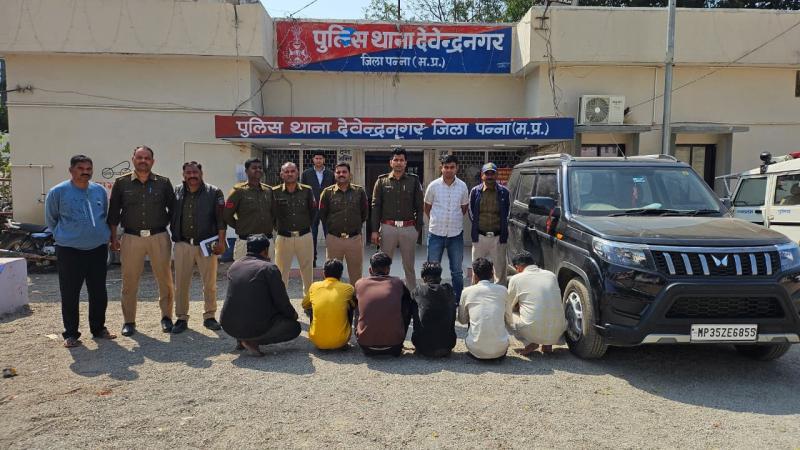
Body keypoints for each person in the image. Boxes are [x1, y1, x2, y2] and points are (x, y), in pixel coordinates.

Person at [44, 155, 115, 348]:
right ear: (71, 170)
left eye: (88, 169)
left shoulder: (99, 191)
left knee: (98, 291)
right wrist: (64, 236)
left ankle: (98, 328)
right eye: (81, 168)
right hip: (70, 251)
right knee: (70, 292)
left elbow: (104, 215)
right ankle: (71, 334)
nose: (85, 172)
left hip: (98, 249)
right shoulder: (58, 192)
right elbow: (51, 219)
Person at [108, 145, 176, 337]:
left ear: (152, 161)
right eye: (140, 157)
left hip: (158, 237)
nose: (143, 161)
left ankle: (166, 317)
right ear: (133, 159)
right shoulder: (121, 183)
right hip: (131, 238)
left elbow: (174, 211)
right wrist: (113, 238)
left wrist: (174, 234)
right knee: (129, 281)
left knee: (165, 280)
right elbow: (114, 213)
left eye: (147, 158)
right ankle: (129, 321)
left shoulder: (163, 183)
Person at [220, 234, 301, 357]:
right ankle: (251, 341)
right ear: (265, 251)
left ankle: (242, 338)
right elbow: (281, 301)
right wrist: (292, 315)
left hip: (229, 325)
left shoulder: (234, 265)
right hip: (255, 325)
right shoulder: (269, 268)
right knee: (294, 328)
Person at [169, 161, 226, 334]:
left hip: (207, 244)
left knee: (209, 283)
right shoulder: (177, 191)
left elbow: (221, 219)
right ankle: (181, 318)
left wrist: (221, 242)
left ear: (201, 174)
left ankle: (209, 316)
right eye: (188, 173)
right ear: (183, 175)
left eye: (195, 172)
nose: (192, 176)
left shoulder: (214, 192)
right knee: (181, 284)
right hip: (183, 244)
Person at [370, 148, 424, 290]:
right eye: (396, 160)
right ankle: (383, 293)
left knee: (409, 266)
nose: (398, 163)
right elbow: (375, 206)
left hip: (408, 227)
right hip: (388, 227)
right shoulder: (381, 181)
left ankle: (411, 294)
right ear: (391, 162)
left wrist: (417, 229)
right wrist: (374, 230)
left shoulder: (414, 180)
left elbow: (420, 206)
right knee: (383, 265)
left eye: (401, 160)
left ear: (405, 163)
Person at [424, 154, 469, 303]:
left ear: (457, 168)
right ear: (441, 168)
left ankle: (457, 301)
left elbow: (464, 208)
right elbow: (427, 207)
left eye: (452, 167)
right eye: (446, 167)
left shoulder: (462, 186)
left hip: (455, 235)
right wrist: (437, 220)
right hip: (436, 234)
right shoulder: (433, 186)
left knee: (456, 271)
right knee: (432, 270)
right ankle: (432, 300)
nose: (449, 170)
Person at [506, 251, 566, 355]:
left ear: (518, 267)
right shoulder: (551, 275)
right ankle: (548, 344)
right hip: (558, 331)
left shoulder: (516, 279)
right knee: (548, 308)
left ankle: (530, 343)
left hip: (533, 331)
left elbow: (508, 305)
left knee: (507, 314)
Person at [354, 252, 413, 357]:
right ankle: (397, 335)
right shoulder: (398, 283)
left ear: (370, 270)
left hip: (365, 345)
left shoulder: (360, 283)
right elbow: (408, 306)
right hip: (395, 345)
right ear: (388, 270)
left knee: (357, 305)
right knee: (406, 305)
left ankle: (362, 332)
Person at [318, 162, 369, 284]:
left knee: (356, 275)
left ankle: (355, 296)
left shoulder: (359, 191)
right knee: (331, 275)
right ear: (335, 174)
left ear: (349, 174)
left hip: (354, 239)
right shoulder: (327, 192)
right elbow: (322, 214)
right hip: (334, 239)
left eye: (344, 172)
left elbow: (364, 213)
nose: (341, 174)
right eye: (338, 172)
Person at [273, 162, 317, 294]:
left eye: (292, 171)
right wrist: (277, 228)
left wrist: (305, 225)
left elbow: (313, 211)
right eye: (286, 172)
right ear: (281, 174)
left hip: (304, 236)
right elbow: (271, 213)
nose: (290, 174)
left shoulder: (307, 190)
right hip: (283, 237)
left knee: (307, 270)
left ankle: (308, 300)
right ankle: (281, 301)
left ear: (297, 173)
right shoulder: (274, 192)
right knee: (281, 271)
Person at [224, 158, 275, 261]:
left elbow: (274, 213)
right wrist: (240, 226)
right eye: (254, 168)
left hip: (267, 240)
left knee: (267, 269)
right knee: (243, 270)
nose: (258, 170)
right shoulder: (238, 191)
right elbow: (226, 215)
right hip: (246, 241)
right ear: (246, 171)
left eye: (260, 168)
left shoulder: (268, 190)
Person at [458, 258, 509, 361]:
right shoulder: (503, 290)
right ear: (492, 274)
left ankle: (478, 343)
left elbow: (462, 320)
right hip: (501, 349)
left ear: (475, 275)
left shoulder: (467, 291)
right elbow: (509, 319)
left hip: (475, 350)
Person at [468, 162, 511, 285]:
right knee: (477, 270)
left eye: (492, 173)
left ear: (496, 175)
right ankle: (476, 292)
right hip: (480, 237)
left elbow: (507, 212)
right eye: (487, 174)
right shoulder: (475, 191)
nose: (490, 176)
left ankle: (500, 293)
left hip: (498, 238)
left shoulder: (504, 192)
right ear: (482, 175)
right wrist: (477, 227)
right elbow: (471, 212)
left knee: (500, 272)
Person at [302, 259, 356, 351]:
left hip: (317, 341)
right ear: (341, 274)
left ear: (324, 273)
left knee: (310, 306)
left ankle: (318, 330)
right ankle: (343, 332)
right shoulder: (348, 288)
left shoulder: (314, 286)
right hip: (341, 341)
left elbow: (304, 305)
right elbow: (355, 305)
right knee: (350, 305)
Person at [410, 262, 456, 357]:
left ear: (424, 278)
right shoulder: (449, 289)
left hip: (423, 347)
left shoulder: (418, 290)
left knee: (415, 307)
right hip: (447, 346)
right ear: (440, 278)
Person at [300, 150, 334, 267]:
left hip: (327, 208)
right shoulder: (306, 173)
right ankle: (312, 259)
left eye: (320, 158)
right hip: (312, 208)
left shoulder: (330, 173)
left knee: (329, 235)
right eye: (316, 158)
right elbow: (302, 191)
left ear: (324, 160)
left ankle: (330, 261)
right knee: (312, 235)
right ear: (313, 160)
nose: (318, 160)